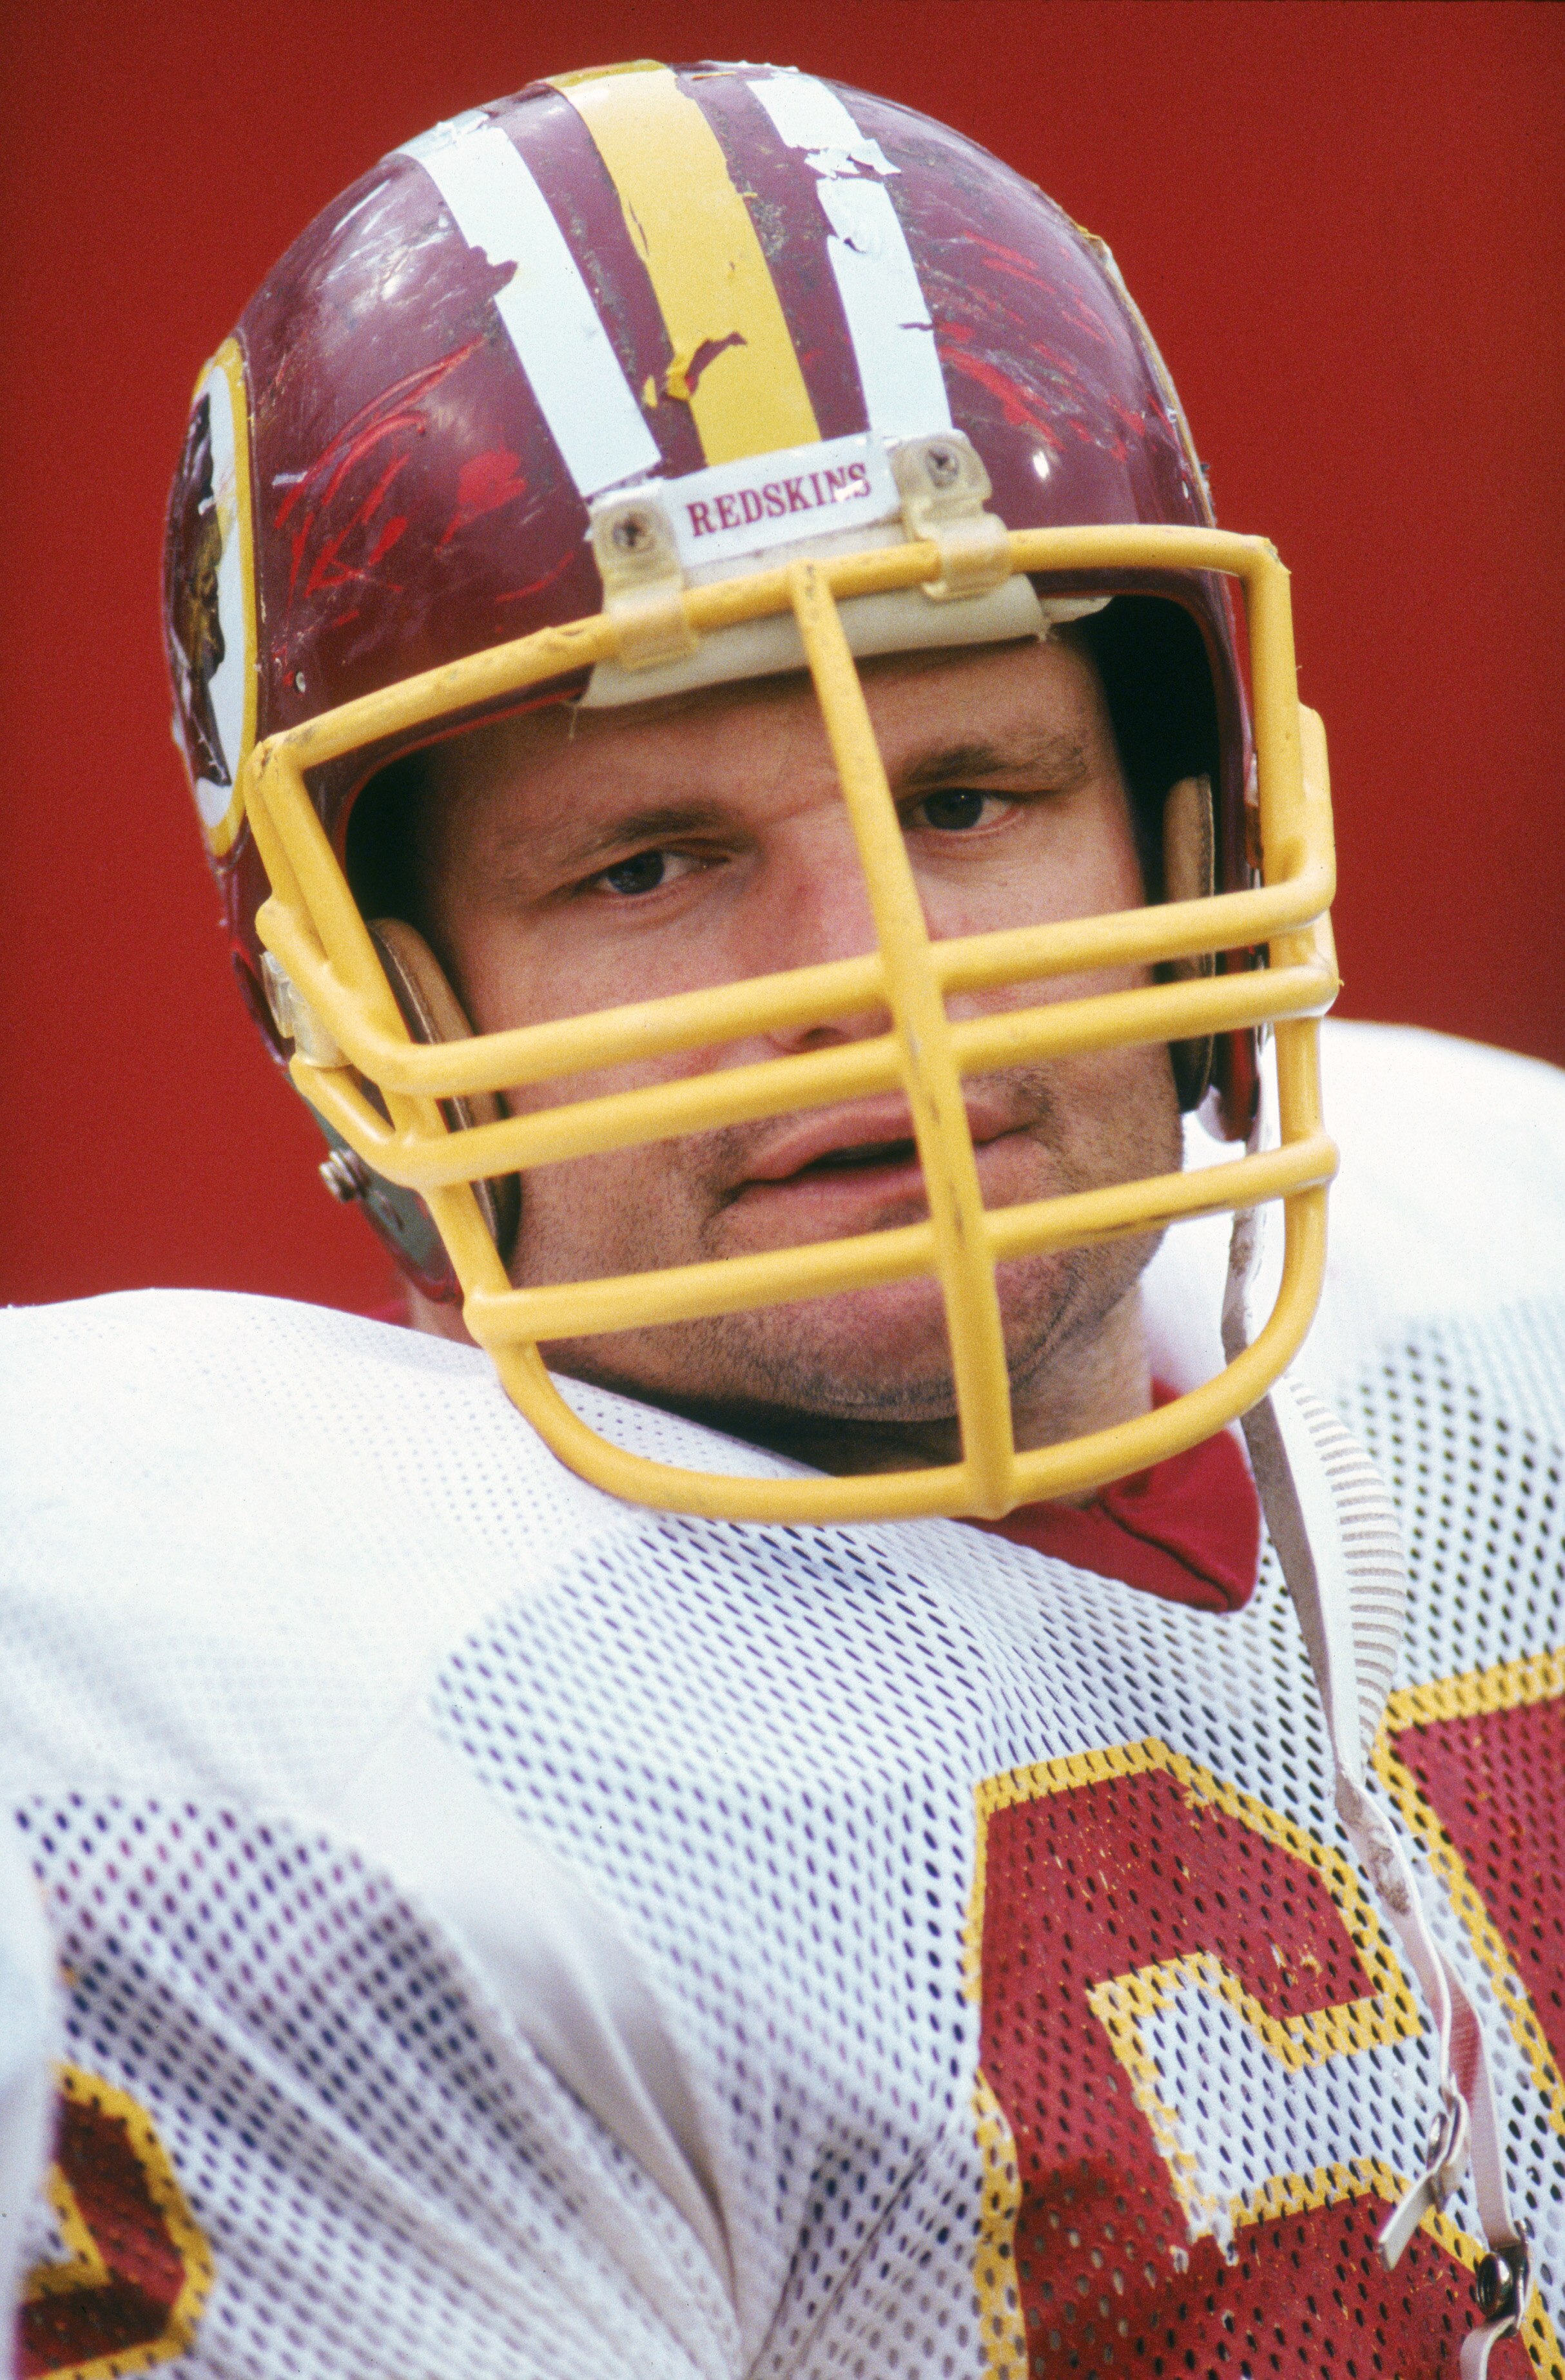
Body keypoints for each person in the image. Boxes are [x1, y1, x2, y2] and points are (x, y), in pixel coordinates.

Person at [4, 59, 1563, 2380]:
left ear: (1179, 833)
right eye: (647, 864)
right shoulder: (256, 1721)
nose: (866, 980)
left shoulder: (1509, 1300)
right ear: (380, 986)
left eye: (964, 797)